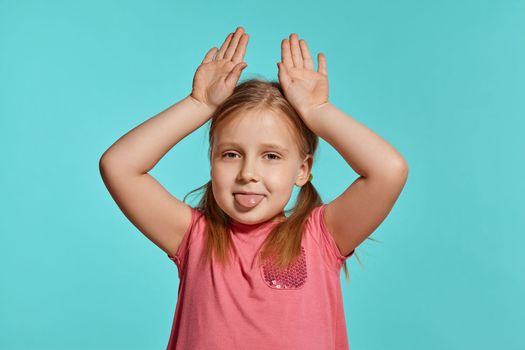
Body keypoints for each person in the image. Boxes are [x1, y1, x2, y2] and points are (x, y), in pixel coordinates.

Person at [99, 26, 408, 350]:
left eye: (271, 156)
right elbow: (119, 166)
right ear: (212, 161)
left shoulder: (322, 237)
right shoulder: (193, 236)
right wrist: (198, 104)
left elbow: (388, 171)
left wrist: (318, 112)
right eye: (231, 154)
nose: (248, 173)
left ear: (302, 170)